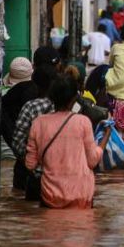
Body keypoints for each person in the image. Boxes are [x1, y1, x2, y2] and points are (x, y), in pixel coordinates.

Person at [25, 74, 110, 208]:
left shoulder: (38, 123)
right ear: (74, 99)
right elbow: (92, 161)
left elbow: (30, 164)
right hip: (82, 195)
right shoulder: (83, 122)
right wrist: (105, 137)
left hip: (50, 196)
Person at [1, 46, 61, 189]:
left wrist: (26, 158)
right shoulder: (66, 94)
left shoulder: (17, 94)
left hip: (26, 169)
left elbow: (12, 136)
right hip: (58, 174)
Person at [11, 64, 59, 160]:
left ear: (35, 84)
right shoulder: (65, 105)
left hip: (31, 168)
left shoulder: (31, 107)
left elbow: (17, 143)